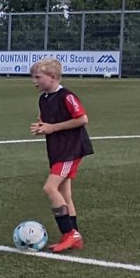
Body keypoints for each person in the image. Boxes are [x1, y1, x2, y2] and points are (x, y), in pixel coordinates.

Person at [28, 57, 92, 254]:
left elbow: (82, 118)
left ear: (53, 77)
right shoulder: (43, 98)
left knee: (50, 188)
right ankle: (75, 236)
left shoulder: (67, 96)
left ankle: (69, 233)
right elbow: (46, 121)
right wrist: (41, 127)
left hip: (70, 149)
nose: (34, 81)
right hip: (57, 149)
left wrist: (52, 127)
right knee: (65, 194)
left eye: (38, 77)